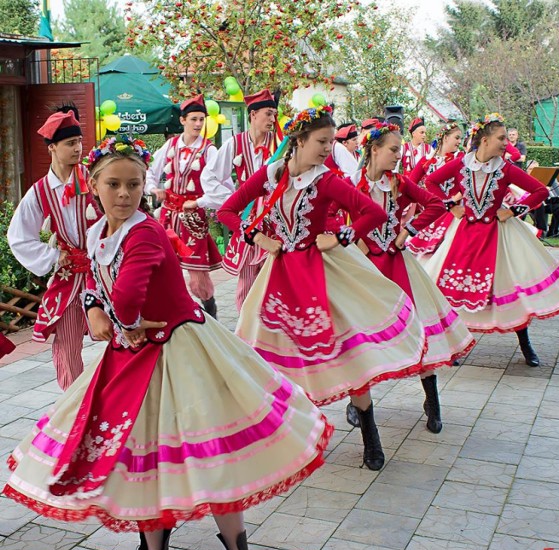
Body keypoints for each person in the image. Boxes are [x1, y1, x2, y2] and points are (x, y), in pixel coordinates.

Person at [3, 136, 333, 550]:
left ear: (144, 186)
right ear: (93, 185)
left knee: (212, 458)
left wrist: (113, 314)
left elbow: (128, 294)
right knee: (143, 459)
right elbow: (102, 287)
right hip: (131, 355)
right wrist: (94, 308)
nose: (124, 194)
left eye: (134, 185)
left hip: (182, 350)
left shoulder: (146, 230)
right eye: (114, 184)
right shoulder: (100, 231)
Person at [218, 106, 426, 471]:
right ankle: (290, 437)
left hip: (323, 274)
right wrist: (259, 238)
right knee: (273, 358)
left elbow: (372, 214)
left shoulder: (327, 180)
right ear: (297, 141)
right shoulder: (271, 174)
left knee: (347, 355)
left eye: (331, 142)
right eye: (321, 141)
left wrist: (341, 236)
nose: (328, 149)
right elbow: (228, 211)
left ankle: (370, 434)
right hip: (280, 276)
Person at [419, 114, 559, 367]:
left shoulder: (505, 168)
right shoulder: (462, 164)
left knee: (510, 288)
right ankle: (455, 345)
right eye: (501, 138)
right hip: (464, 234)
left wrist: (514, 210)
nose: (507, 143)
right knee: (453, 288)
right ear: (484, 140)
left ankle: (525, 343)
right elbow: (431, 181)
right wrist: (451, 207)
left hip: (499, 236)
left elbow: (539, 190)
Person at [343, 122, 475, 433]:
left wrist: (408, 231)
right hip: (361, 270)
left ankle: (432, 400)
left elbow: (434, 204)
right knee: (359, 338)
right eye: (392, 149)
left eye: (400, 150)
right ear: (373, 150)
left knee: (418, 329)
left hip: (396, 263)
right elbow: (332, 217)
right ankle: (358, 402)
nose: (397, 155)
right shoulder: (349, 183)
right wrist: (353, 239)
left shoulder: (399, 183)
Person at [7, 106, 101, 391]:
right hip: (70, 277)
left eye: (79, 142)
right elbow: (18, 236)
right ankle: (73, 408)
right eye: (70, 143)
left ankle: (122, 401)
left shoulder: (96, 178)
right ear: (52, 148)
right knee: (66, 347)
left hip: (103, 272)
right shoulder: (39, 192)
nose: (78, 148)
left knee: (122, 335)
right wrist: (53, 256)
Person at [200, 89, 279, 311]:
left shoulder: (280, 144)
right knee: (246, 282)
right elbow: (210, 176)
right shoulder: (235, 144)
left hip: (274, 221)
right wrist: (233, 200)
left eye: (274, 114)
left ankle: (268, 329)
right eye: (268, 114)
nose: (273, 119)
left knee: (271, 278)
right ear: (253, 115)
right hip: (247, 220)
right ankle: (246, 333)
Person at [146, 95, 221, 318]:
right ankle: (175, 312)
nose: (198, 124)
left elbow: (222, 187)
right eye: (194, 119)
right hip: (168, 215)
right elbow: (149, 171)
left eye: (201, 120)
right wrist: (153, 189)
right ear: (183, 120)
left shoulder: (209, 151)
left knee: (197, 275)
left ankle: (210, 312)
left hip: (192, 218)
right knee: (163, 266)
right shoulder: (170, 145)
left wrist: (199, 202)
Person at [406, 122, 464, 255]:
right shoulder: (426, 160)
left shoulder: (460, 158)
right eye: (457, 138)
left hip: (455, 212)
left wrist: (454, 200)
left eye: (460, 138)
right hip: (434, 212)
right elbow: (410, 185)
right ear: (445, 138)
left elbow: (468, 183)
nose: (459, 142)